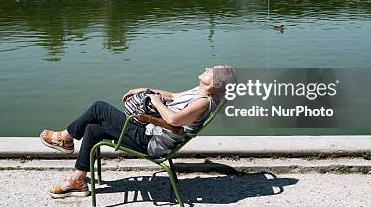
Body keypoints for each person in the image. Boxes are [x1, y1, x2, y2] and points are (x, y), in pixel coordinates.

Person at [39, 65, 236, 198]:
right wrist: (146, 89)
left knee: (99, 108)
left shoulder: (203, 102)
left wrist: (156, 101)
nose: (207, 69)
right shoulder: (198, 92)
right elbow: (173, 96)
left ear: (215, 83)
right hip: (150, 131)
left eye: (212, 70)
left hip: (151, 140)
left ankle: (64, 138)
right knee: (92, 129)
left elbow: (174, 120)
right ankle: (78, 180)